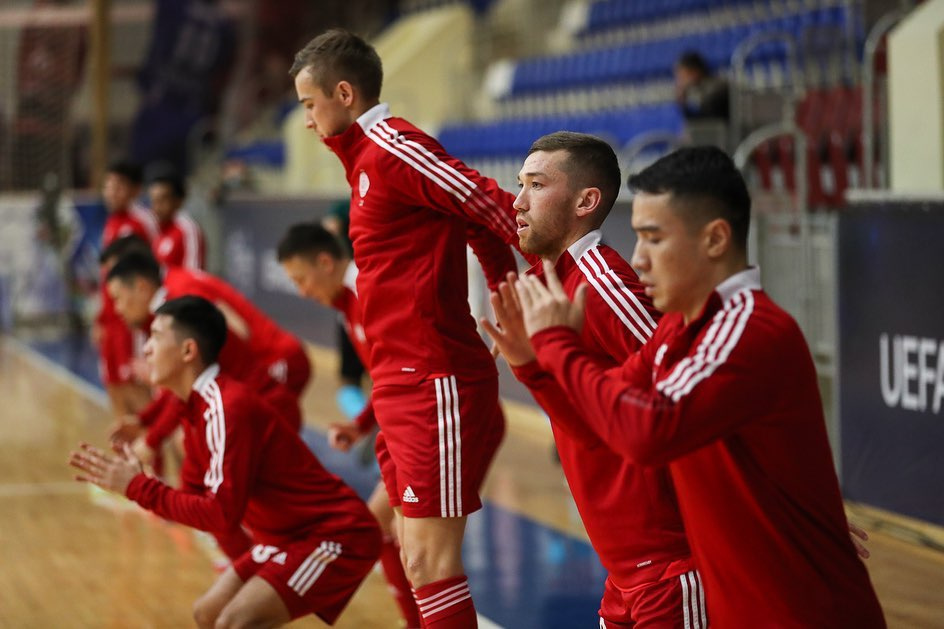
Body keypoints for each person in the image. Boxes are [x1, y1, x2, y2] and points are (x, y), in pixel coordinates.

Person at [511, 146, 886, 627]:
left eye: (654, 239)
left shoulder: (746, 329)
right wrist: (533, 367)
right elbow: (599, 416)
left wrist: (555, 345)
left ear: (714, 239)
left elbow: (646, 429)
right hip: (680, 577)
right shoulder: (681, 328)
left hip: (777, 600)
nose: (638, 259)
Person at [290, 28, 519, 627]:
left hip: (433, 378)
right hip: (397, 383)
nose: (308, 121)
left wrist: (524, 280)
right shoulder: (362, 162)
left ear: (344, 94)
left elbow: (483, 201)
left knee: (429, 560)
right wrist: (501, 284)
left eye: (310, 105)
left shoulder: (393, 146)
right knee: (410, 554)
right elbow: (472, 218)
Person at [481, 131, 702, 627]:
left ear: (585, 202)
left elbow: (697, 392)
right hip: (624, 571)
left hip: (672, 565)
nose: (518, 201)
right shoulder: (551, 283)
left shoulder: (602, 286)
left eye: (536, 185)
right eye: (520, 184)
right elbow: (591, 426)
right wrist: (530, 368)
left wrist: (788, 507)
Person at [70, 295, 381, 627]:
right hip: (282, 538)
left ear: (188, 351)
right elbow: (196, 505)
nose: (146, 348)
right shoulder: (192, 409)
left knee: (234, 620)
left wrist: (138, 488)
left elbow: (220, 513)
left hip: (333, 533)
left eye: (156, 337)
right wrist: (139, 485)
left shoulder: (227, 408)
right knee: (208, 614)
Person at [277, 222, 421, 628]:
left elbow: (410, 366)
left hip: (434, 423)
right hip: (406, 428)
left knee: (418, 548)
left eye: (301, 279)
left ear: (326, 262)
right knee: (389, 534)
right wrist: (361, 424)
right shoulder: (346, 304)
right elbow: (389, 374)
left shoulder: (367, 290)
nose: (301, 291)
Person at [105, 250, 311, 460]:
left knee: (197, 440)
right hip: (258, 382)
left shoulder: (181, 298)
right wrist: (145, 421)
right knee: (194, 439)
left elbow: (238, 332)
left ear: (141, 285)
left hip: (277, 359)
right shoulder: (174, 290)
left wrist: (151, 440)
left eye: (118, 298)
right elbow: (185, 384)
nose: (116, 309)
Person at [95, 160, 157, 418]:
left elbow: (151, 274)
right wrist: (100, 318)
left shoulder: (142, 222)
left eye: (118, 186)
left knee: (138, 390)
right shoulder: (112, 222)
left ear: (135, 190)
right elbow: (106, 278)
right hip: (111, 321)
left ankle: (153, 444)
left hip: (130, 324)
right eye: (108, 185)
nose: (111, 192)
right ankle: (124, 444)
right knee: (114, 388)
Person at [147, 170, 206, 270]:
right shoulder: (156, 230)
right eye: (154, 201)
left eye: (162, 200)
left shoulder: (188, 230)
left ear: (178, 201)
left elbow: (193, 273)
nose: (157, 207)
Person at [674, 51, 729, 122]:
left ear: (694, 72)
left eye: (682, 76)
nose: (679, 81)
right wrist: (683, 105)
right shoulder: (701, 89)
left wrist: (685, 102)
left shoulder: (718, 87)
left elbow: (707, 116)